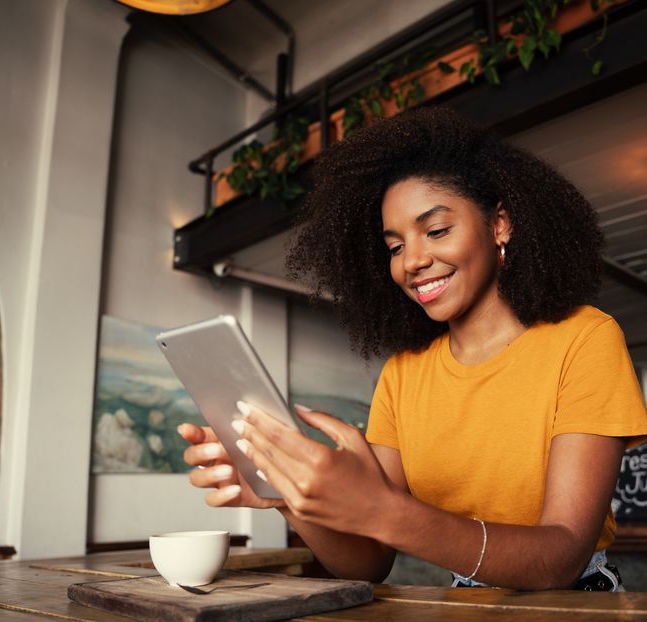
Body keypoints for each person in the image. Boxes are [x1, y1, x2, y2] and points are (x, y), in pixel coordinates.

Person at [180, 106, 647, 591]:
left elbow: (562, 556)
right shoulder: (404, 374)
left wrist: (388, 512)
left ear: (500, 224)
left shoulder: (585, 340)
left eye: (437, 230)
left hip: (575, 620)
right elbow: (368, 561)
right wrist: (285, 492)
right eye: (395, 246)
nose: (413, 262)